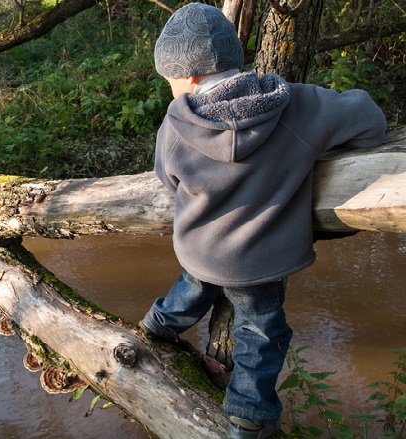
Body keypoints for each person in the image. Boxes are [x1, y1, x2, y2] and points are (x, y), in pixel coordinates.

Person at [139, 3, 387, 438]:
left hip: (200, 247)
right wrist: (314, 155)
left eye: (170, 81)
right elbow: (370, 121)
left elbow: (167, 178)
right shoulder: (297, 105)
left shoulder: (174, 125)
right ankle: (249, 419)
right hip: (258, 261)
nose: (171, 91)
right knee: (261, 334)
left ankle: (158, 325)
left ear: (191, 77)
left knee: (195, 283)